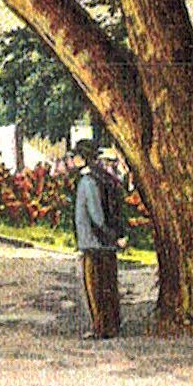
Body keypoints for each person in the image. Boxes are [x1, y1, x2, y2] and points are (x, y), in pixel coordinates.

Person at [71, 139, 125, 339]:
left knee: (96, 288)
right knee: (108, 285)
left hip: (94, 244)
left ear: (83, 158)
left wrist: (111, 237)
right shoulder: (103, 178)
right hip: (103, 243)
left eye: (76, 155)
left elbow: (96, 216)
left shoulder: (88, 181)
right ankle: (110, 325)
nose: (73, 159)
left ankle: (101, 327)